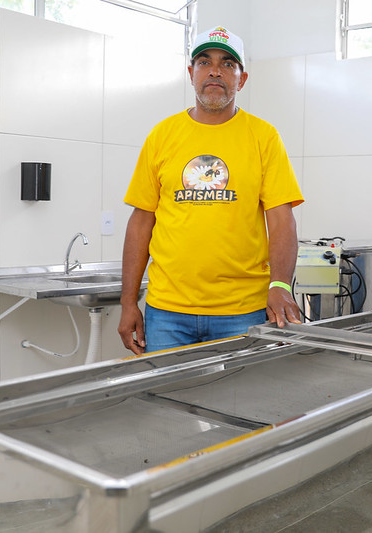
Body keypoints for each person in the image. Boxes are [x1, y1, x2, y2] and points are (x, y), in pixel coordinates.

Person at [118, 26, 304, 355]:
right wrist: (128, 301)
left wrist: (280, 285)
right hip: (167, 312)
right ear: (191, 74)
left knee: (241, 391)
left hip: (242, 310)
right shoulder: (162, 136)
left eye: (228, 64)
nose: (215, 71)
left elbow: (281, 220)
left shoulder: (264, 137)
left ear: (241, 80)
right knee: (168, 390)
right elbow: (141, 221)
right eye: (205, 62)